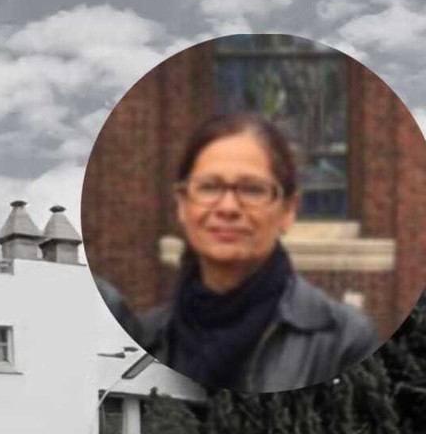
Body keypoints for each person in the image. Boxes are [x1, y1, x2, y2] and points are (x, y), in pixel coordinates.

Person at [126, 112, 379, 392]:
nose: (228, 207)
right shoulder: (146, 337)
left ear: (288, 210)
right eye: (210, 187)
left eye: (251, 190)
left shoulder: (342, 341)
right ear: (183, 204)